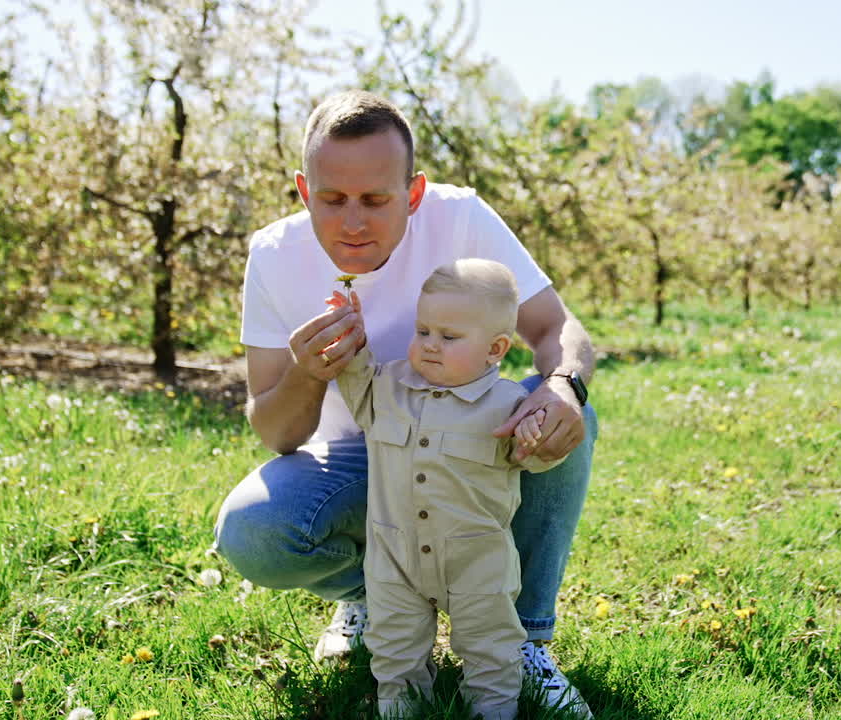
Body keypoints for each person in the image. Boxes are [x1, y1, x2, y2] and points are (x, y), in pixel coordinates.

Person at [212, 90, 597, 715]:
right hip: (363, 463)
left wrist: (563, 385)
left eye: (376, 199)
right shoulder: (275, 255)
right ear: (304, 191)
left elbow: (558, 330)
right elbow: (274, 429)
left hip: (475, 446)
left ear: (413, 194)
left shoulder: (462, 217)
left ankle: (523, 636)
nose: (353, 222)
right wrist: (310, 375)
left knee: (559, 406)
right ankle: (374, 597)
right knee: (251, 529)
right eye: (332, 200)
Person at [333, 259, 561, 720]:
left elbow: (537, 459)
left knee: (491, 648)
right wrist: (352, 340)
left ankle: (493, 710)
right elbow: (354, 381)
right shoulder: (388, 385)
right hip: (395, 556)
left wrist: (538, 435)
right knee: (395, 650)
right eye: (423, 331)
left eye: (449, 337)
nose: (430, 346)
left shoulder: (510, 405)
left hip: (476, 559)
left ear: (495, 348)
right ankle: (403, 707)